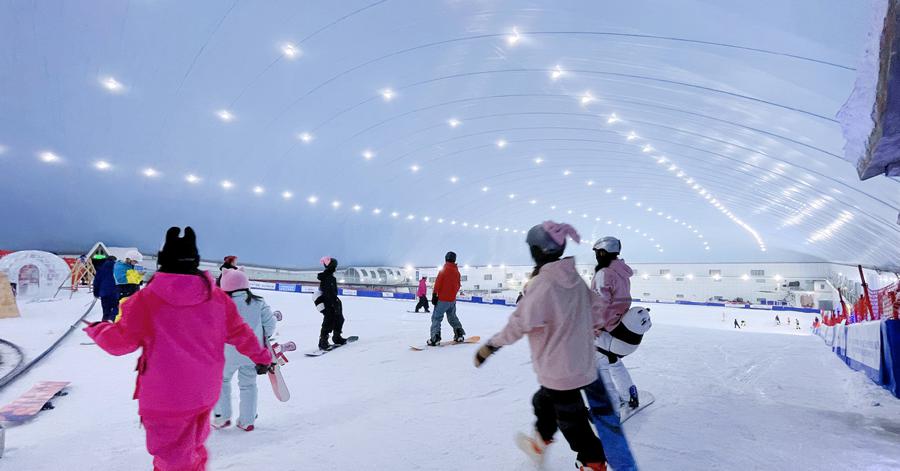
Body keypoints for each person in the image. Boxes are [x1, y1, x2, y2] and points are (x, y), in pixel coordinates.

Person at [84, 226, 273, 470]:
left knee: (172, 457)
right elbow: (242, 334)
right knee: (192, 448)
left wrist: (98, 329)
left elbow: (120, 342)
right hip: (203, 393)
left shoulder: (146, 299)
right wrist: (263, 356)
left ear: (163, 260)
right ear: (195, 260)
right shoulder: (217, 298)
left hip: (165, 397)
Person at [474, 221, 636, 471]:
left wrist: (491, 346)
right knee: (543, 401)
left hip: (560, 369)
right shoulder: (572, 277)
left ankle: (593, 462)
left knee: (572, 419)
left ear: (537, 250)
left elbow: (520, 322)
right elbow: (597, 309)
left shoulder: (544, 284)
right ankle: (541, 442)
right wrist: (590, 329)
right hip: (580, 362)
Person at [214, 268, 278, 431]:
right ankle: (247, 421)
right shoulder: (259, 302)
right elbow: (270, 325)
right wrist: (262, 338)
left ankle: (222, 417)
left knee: (221, 381)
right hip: (252, 352)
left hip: (226, 353)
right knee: (248, 385)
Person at [591, 236, 643, 410]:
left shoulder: (604, 273)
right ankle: (630, 394)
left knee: (599, 365)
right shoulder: (622, 272)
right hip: (621, 327)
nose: (596, 256)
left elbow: (599, 303)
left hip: (608, 328)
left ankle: (610, 405)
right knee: (612, 360)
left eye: (598, 252)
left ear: (603, 252)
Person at [429, 251, 466, 345]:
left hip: (442, 300)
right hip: (452, 301)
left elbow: (438, 283)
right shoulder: (457, 272)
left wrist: (434, 295)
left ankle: (435, 338)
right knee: (452, 317)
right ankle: (459, 334)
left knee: (436, 318)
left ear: (446, 258)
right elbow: (458, 285)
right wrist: (452, 295)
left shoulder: (444, 269)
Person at [314, 256, 348, 351]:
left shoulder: (330, 277)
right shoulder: (327, 278)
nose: (335, 268)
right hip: (329, 303)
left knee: (339, 319)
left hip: (333, 302)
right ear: (332, 267)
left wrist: (336, 303)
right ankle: (323, 342)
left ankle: (337, 337)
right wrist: (333, 304)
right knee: (328, 321)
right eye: (335, 266)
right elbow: (328, 292)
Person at [92, 255, 119, 322]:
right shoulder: (117, 267)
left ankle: (104, 324)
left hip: (104, 293)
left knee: (106, 311)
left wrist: (96, 293)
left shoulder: (101, 268)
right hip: (115, 292)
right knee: (116, 308)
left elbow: (96, 282)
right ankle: (111, 320)